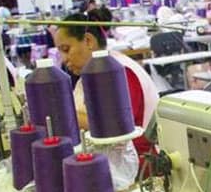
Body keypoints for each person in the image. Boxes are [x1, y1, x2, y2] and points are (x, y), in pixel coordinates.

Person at [54, 10, 157, 162]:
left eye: (66, 49)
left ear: (88, 40)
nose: (64, 59)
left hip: (137, 165)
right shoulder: (93, 74)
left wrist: (62, 113)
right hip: (115, 161)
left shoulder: (120, 73)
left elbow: (114, 127)